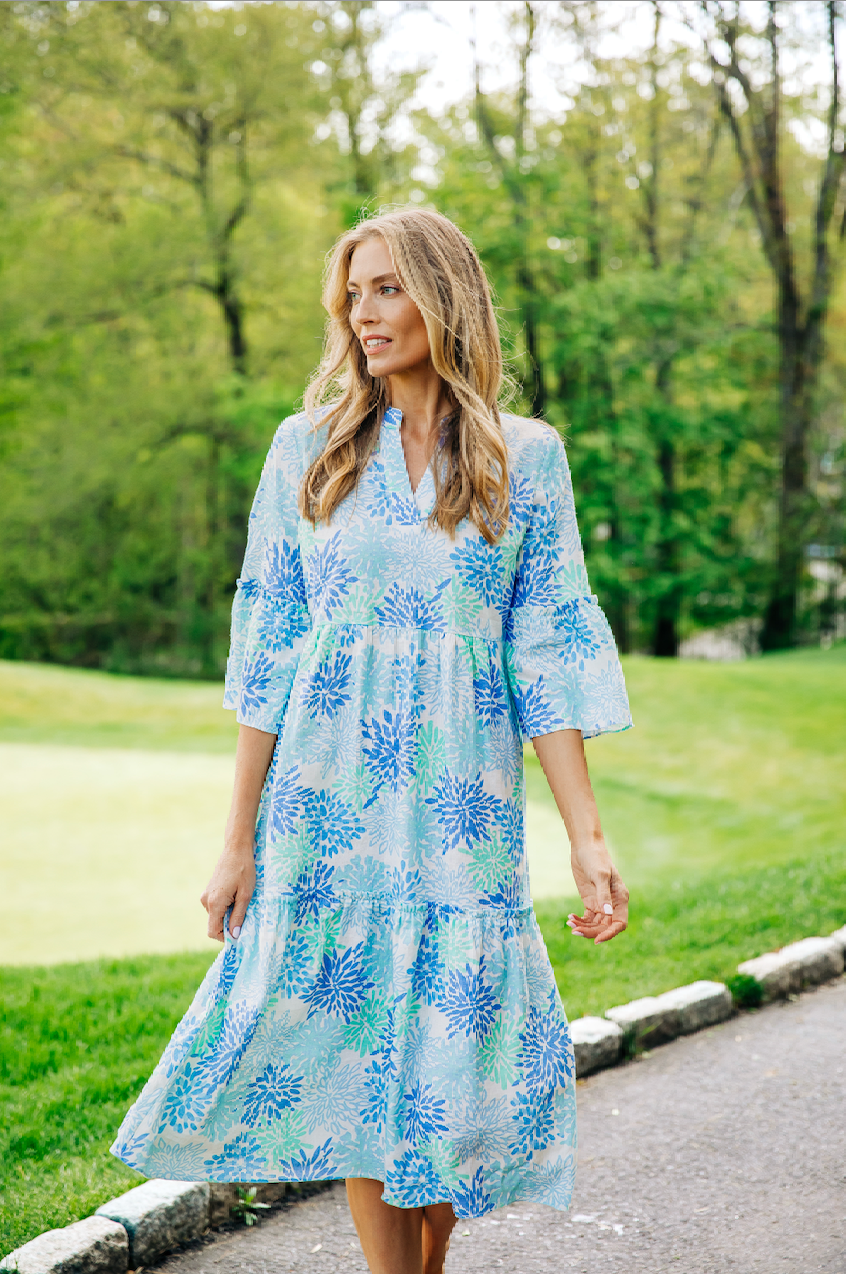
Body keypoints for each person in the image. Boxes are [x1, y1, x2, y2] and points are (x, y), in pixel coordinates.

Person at [111, 207, 631, 1274]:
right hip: (325, 797)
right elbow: (269, 652)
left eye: (387, 287)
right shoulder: (308, 450)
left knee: (444, 1075)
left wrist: (586, 834)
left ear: (444, 296)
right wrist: (237, 839)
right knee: (361, 1067)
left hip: (463, 810)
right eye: (353, 293)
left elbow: (547, 653)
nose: (365, 312)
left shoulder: (524, 459)